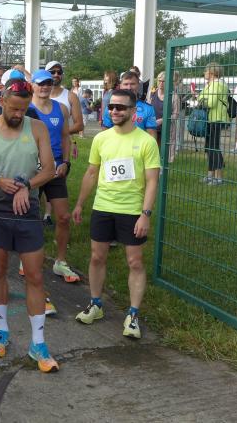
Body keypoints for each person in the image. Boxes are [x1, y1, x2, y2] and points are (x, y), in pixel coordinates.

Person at [0, 78, 59, 373]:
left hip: (27, 209)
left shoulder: (37, 128)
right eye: (14, 108)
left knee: (35, 275)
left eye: (24, 109)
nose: (19, 114)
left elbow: (49, 169)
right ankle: (1, 332)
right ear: (3, 101)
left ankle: (38, 343)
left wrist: (26, 186)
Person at [72, 88, 159, 339]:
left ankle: (133, 314)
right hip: (103, 207)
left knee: (135, 262)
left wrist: (145, 214)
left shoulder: (146, 141)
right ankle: (95, 304)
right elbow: (91, 173)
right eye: (111, 107)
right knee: (97, 257)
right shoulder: (101, 139)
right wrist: (80, 204)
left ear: (133, 111)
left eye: (120, 107)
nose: (114, 111)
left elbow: (152, 181)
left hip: (131, 210)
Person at [29, 70, 78, 283]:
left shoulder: (61, 108)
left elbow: (65, 137)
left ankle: (60, 261)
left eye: (48, 83)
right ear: (32, 85)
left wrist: (66, 162)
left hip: (56, 169)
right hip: (33, 168)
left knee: (64, 217)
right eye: (40, 83)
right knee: (29, 216)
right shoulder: (26, 109)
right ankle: (26, 257)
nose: (45, 87)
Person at [197, 62, 229, 185]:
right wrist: (202, 98)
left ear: (212, 72)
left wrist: (202, 99)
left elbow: (210, 103)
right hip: (211, 118)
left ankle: (218, 178)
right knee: (209, 147)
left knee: (214, 147)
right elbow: (200, 97)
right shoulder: (210, 84)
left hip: (217, 119)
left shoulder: (217, 84)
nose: (204, 73)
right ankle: (210, 175)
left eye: (206, 71)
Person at [101, 71, 157, 140]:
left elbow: (152, 135)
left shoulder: (148, 108)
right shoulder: (111, 107)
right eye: (126, 84)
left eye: (132, 84)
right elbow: (105, 133)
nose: (129, 87)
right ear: (120, 86)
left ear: (138, 85)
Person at [45, 61, 83, 136]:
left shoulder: (71, 97)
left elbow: (79, 125)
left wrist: (57, 134)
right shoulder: (38, 95)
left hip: (63, 141)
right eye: (52, 72)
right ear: (45, 74)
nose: (56, 75)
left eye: (59, 72)